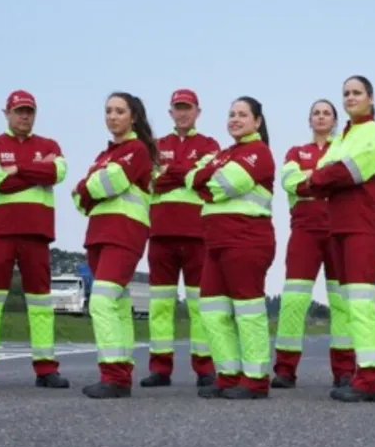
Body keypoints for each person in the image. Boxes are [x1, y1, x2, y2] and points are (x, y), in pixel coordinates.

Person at [0, 90, 70, 390]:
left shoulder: (50, 145)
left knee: (40, 304)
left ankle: (46, 368)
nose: (24, 116)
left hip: (37, 234)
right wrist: (36, 171)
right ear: (7, 113)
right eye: (19, 111)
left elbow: (58, 173)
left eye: (29, 111)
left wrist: (18, 169)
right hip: (0, 232)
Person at [303, 75, 375, 403]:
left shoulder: (374, 132)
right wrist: (321, 176)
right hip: (340, 225)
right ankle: (360, 372)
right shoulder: (344, 136)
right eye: (346, 93)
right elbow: (323, 172)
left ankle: (370, 378)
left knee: (361, 301)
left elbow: (344, 172)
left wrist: (321, 176)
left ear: (370, 97)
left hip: (365, 224)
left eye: (357, 92)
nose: (351, 97)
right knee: (350, 303)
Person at [186, 96, 276, 400]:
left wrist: (203, 180)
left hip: (246, 239)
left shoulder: (258, 152)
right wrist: (202, 179)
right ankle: (228, 374)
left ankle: (255, 379)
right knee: (212, 310)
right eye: (231, 114)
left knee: (248, 311)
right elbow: (192, 178)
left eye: (242, 114)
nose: (235, 119)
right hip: (215, 241)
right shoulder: (224, 154)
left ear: (257, 122)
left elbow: (222, 186)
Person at [73, 92, 159, 399]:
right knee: (119, 304)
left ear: (133, 116)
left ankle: (112, 375)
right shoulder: (105, 155)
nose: (112, 116)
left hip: (124, 233)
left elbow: (109, 184)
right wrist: (91, 184)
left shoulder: (136, 149)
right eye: (108, 110)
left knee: (101, 302)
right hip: (98, 234)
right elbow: (79, 201)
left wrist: (88, 184)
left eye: (119, 111)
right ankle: (121, 374)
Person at [272, 99, 355, 388]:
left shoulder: (344, 148)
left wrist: (311, 177)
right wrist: (325, 177)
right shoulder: (296, 151)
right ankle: (285, 369)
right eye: (316, 113)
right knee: (294, 300)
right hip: (305, 231)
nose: (321, 117)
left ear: (335, 120)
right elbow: (289, 181)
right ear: (310, 120)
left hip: (338, 229)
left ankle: (344, 370)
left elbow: (346, 180)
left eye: (327, 113)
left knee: (342, 302)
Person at [141, 89, 220, 388]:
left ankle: (205, 368)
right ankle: (160, 368)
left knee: (201, 305)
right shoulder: (156, 146)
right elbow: (151, 179)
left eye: (188, 108)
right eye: (178, 108)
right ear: (170, 112)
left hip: (198, 235)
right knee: (160, 305)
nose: (183, 113)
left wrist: (170, 173)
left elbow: (208, 175)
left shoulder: (210, 144)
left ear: (198, 111)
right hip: (161, 235)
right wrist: (187, 173)